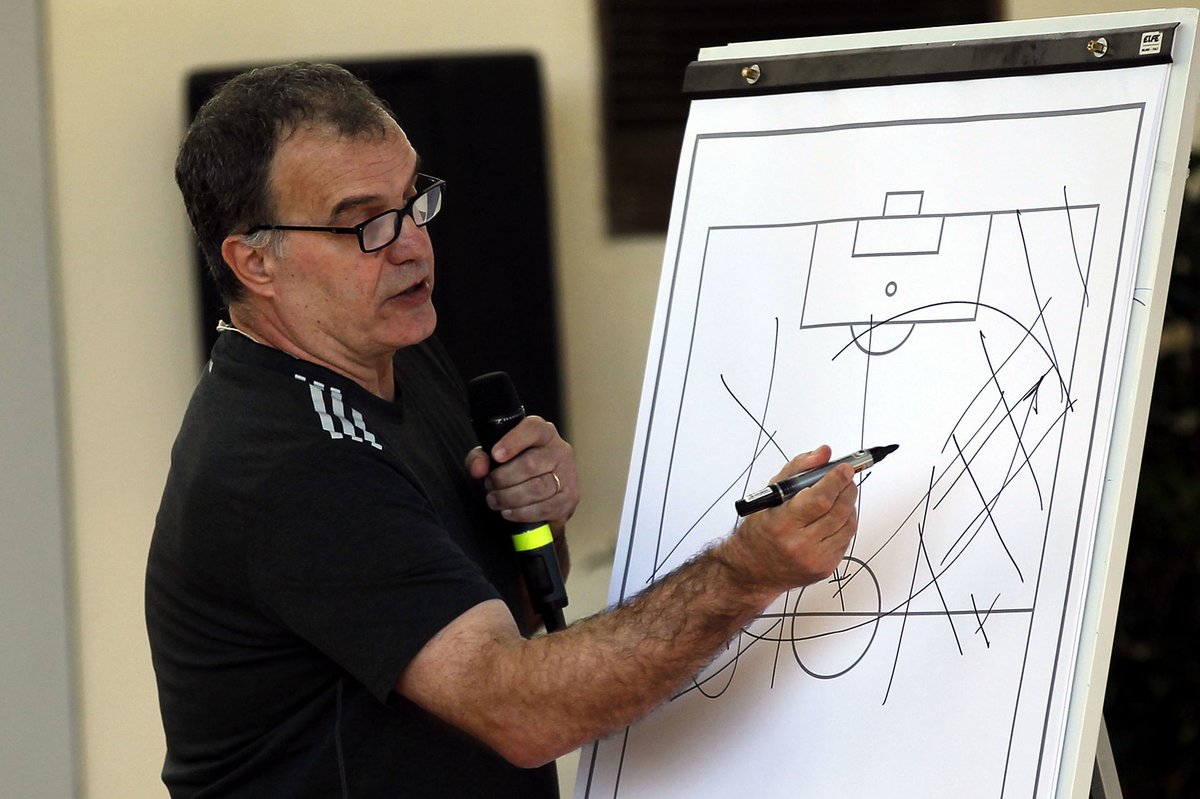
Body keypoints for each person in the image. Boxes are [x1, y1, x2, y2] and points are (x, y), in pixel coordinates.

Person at [145, 62, 859, 798]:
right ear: (255, 263)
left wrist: (538, 518)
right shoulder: (290, 461)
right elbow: (518, 709)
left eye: (414, 200)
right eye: (364, 223)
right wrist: (746, 572)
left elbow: (480, 612)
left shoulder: (398, 356)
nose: (411, 245)